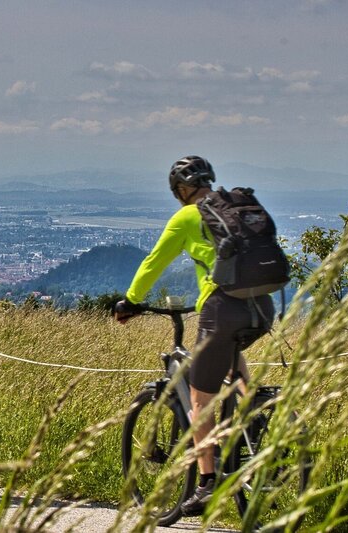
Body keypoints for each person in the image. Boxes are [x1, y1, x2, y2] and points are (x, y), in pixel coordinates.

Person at [113, 156, 274, 516]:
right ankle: (255, 418)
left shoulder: (188, 216)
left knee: (201, 400)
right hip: (261, 305)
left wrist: (131, 302)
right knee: (233, 366)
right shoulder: (234, 208)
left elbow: (154, 262)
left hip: (221, 310)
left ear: (181, 190)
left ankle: (208, 481)